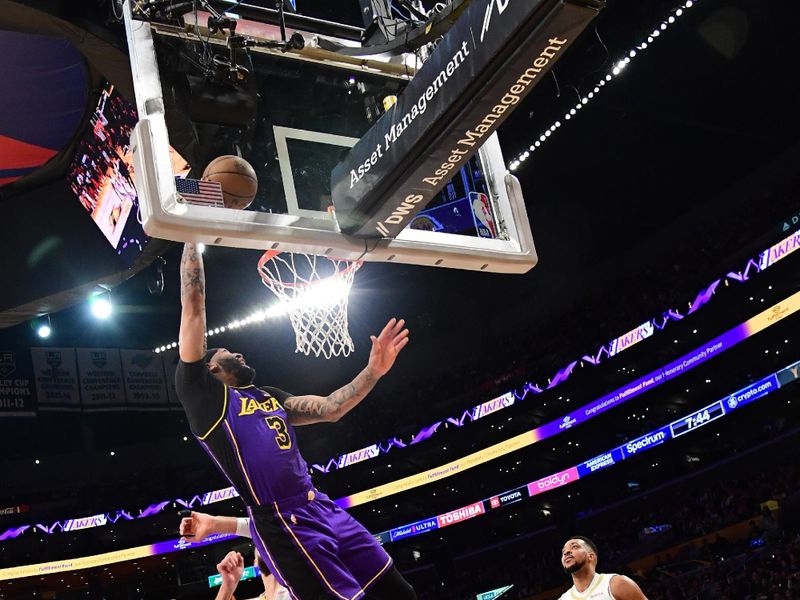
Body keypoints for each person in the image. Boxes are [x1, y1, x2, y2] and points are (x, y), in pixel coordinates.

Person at [176, 242, 416, 600]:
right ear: (211, 367)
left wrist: (373, 371)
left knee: (400, 593)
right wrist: (188, 232)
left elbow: (331, 408)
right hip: (282, 521)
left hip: (318, 504)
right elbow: (194, 307)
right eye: (227, 351)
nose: (237, 352)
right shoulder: (207, 400)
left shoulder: (268, 395)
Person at [558, 537, 647, 599]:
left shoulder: (617, 584)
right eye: (563, 551)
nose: (566, 552)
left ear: (591, 556)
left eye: (574, 546)